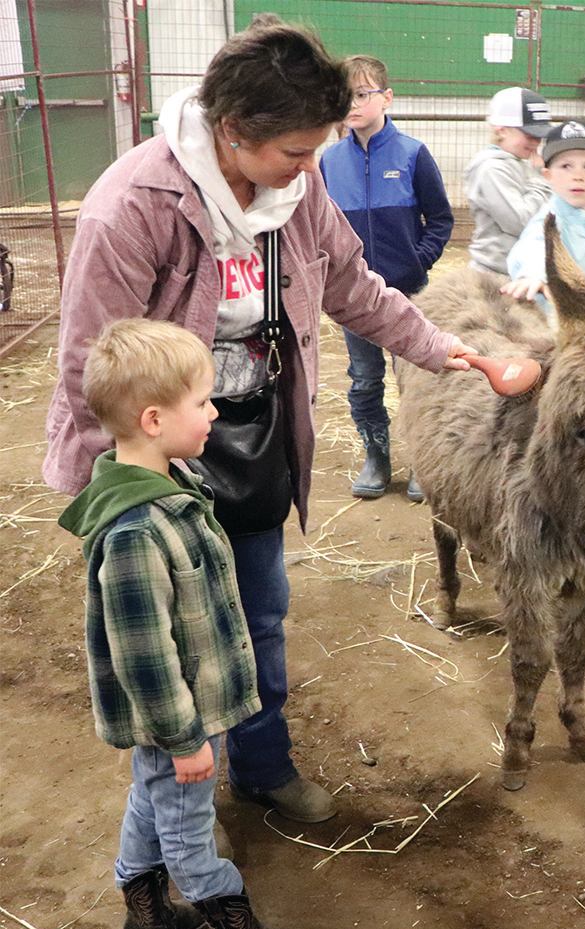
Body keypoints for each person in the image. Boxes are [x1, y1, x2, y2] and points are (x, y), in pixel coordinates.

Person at [43, 17, 475, 827]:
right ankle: (177, 817)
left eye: (317, 149)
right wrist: (136, 487)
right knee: (172, 629)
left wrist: (441, 349)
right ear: (233, 131)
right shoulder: (135, 205)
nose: (310, 169)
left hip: (250, 432)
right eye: (297, 152)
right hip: (153, 452)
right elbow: (87, 365)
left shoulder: (293, 195)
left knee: (260, 609)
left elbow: (355, 286)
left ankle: (263, 766)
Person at [57, 319, 324, 929]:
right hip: (177, 719)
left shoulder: (169, 486)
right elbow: (145, 656)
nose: (215, 414)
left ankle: (145, 918)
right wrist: (184, 739)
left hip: (181, 716)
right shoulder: (133, 530)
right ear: (153, 419)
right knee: (184, 823)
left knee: (151, 799)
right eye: (203, 403)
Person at [320, 54, 454, 503]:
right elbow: (320, 227)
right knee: (364, 379)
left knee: (415, 378)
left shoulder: (413, 154)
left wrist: (418, 262)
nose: (352, 104)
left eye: (362, 94)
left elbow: (440, 219)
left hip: (407, 292)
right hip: (355, 297)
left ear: (386, 97)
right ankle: (377, 458)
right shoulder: (328, 162)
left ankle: (421, 461)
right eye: (345, 96)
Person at [503, 120, 585, 304]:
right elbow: (535, 247)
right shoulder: (548, 222)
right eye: (566, 166)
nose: (578, 176)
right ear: (548, 175)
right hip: (553, 324)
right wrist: (534, 275)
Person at [465, 87, 555, 275]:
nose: (536, 142)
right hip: (495, 276)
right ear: (502, 130)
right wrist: (542, 181)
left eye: (539, 136)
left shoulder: (522, 162)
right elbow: (519, 223)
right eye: (529, 135)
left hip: (521, 272)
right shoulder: (491, 169)